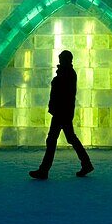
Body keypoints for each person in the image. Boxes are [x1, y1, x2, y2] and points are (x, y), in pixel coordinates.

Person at [29, 50, 94, 179]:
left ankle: (44, 170)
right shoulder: (67, 72)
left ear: (66, 60)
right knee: (70, 138)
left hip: (61, 112)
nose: (59, 61)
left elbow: (63, 93)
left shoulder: (67, 73)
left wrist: (57, 107)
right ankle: (86, 164)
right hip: (63, 111)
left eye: (61, 59)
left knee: (52, 139)